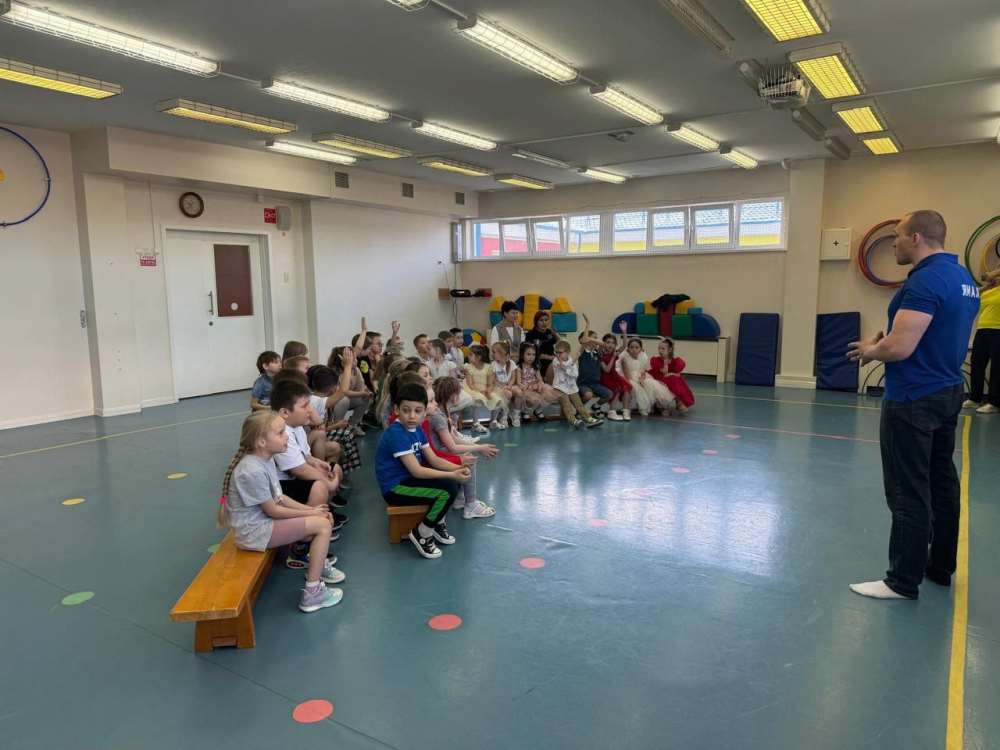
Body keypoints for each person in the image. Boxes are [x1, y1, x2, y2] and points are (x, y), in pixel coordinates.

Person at [847, 210, 980, 600]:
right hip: (947, 390)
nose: (894, 243)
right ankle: (939, 567)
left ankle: (901, 581)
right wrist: (885, 343)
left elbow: (900, 347)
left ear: (917, 238)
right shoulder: (963, 279)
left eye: (898, 235)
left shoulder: (926, 280)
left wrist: (872, 350)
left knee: (907, 489)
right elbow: (933, 333)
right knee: (941, 482)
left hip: (914, 397)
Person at [219, 411, 344, 613]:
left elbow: (280, 498)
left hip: (264, 524)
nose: (286, 437)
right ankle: (313, 593)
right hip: (254, 532)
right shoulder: (251, 470)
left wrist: (312, 510)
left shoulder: (266, 459)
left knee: (321, 519)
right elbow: (273, 510)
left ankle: (316, 565)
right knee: (322, 526)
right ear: (261, 442)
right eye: (280, 433)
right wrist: (311, 515)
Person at [375, 381, 471, 559]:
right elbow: (417, 471)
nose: (412, 415)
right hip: (395, 488)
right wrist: (452, 474)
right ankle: (422, 533)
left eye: (417, 411)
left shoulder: (417, 429)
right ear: (396, 409)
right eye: (406, 410)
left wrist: (459, 468)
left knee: (452, 483)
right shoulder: (396, 433)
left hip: (408, 480)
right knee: (446, 492)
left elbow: (434, 459)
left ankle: (436, 523)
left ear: (424, 411)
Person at [430, 377, 498, 519]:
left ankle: (460, 498)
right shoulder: (438, 417)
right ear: (452, 395)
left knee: (467, 453)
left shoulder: (443, 411)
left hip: (439, 450)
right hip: (436, 454)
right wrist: (479, 448)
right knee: (469, 459)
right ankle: (471, 504)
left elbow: (453, 439)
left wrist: (478, 446)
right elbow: (452, 447)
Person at [963, 267, 1000, 414]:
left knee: (997, 367)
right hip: (982, 329)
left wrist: (993, 273)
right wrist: (989, 285)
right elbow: (974, 294)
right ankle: (975, 398)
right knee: (977, 363)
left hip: (998, 330)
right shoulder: (989, 290)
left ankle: (994, 402)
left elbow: (989, 275)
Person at [551, 340, 603, 428]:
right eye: (556, 352)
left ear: (567, 352)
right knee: (566, 404)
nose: (558, 355)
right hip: (560, 387)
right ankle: (573, 420)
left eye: (560, 352)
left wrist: (572, 364)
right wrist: (574, 360)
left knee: (579, 404)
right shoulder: (556, 361)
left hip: (571, 387)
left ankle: (588, 418)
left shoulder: (571, 361)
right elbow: (564, 367)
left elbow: (575, 374)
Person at [618, 339, 674, 416]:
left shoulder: (643, 357)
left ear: (641, 349)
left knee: (650, 383)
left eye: (636, 347)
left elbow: (643, 371)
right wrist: (638, 382)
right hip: (628, 378)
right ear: (628, 348)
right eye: (631, 347)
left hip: (639, 376)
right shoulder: (625, 358)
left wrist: (642, 379)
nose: (634, 350)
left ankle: (657, 406)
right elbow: (627, 376)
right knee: (637, 388)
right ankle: (642, 406)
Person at [577, 319, 615, 419]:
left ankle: (596, 406)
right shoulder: (583, 351)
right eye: (594, 338)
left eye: (596, 338)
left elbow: (604, 344)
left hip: (595, 383)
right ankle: (579, 410)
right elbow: (584, 340)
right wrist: (588, 324)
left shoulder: (597, 352)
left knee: (609, 394)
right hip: (583, 383)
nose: (596, 340)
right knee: (588, 395)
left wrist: (591, 339)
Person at [462, 344, 504, 433]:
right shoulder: (468, 367)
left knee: (497, 399)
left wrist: (488, 390)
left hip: (485, 389)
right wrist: (480, 391)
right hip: (473, 390)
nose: (468, 356)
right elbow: (470, 384)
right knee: (478, 399)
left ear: (479, 357)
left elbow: (490, 383)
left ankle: (493, 421)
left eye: (471, 355)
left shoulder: (488, 367)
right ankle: (475, 424)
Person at [514, 342, 558, 420]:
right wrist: (526, 387)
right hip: (526, 388)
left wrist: (540, 384)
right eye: (528, 354)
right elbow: (518, 382)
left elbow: (540, 379)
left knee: (549, 394)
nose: (531, 357)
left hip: (535, 386)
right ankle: (526, 412)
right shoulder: (519, 367)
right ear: (522, 355)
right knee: (532, 398)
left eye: (533, 355)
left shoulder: (535, 366)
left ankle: (538, 410)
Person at [650, 338, 695, 413]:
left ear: (670, 350)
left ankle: (681, 401)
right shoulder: (656, 359)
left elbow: (678, 373)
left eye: (663, 349)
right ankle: (679, 401)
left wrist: (672, 373)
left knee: (677, 379)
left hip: (670, 378)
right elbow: (664, 373)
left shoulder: (675, 360)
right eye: (659, 348)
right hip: (659, 377)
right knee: (672, 378)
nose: (660, 351)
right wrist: (665, 362)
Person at [600, 327, 633, 421]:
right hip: (606, 378)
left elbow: (624, 345)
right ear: (603, 343)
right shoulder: (601, 355)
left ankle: (625, 411)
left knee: (627, 386)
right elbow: (607, 370)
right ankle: (611, 412)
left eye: (613, 343)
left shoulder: (615, 353)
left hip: (615, 376)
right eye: (608, 342)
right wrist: (613, 357)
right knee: (616, 389)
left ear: (615, 345)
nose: (610, 345)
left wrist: (624, 331)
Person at [525, 310, 561, 380]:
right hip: (538, 363)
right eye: (541, 320)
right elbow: (531, 354)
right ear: (536, 322)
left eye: (546, 320)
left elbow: (561, 344)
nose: (544, 323)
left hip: (551, 362)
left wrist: (554, 333)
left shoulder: (549, 333)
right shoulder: (530, 334)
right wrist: (551, 357)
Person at [489, 341, 517, 429]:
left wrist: (509, 386)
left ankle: (505, 415)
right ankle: (500, 417)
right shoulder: (494, 364)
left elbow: (513, 377)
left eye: (494, 352)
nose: (492, 354)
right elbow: (493, 379)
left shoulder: (511, 363)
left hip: (508, 385)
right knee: (505, 395)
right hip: (497, 386)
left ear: (502, 353)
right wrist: (502, 386)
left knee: (510, 393)